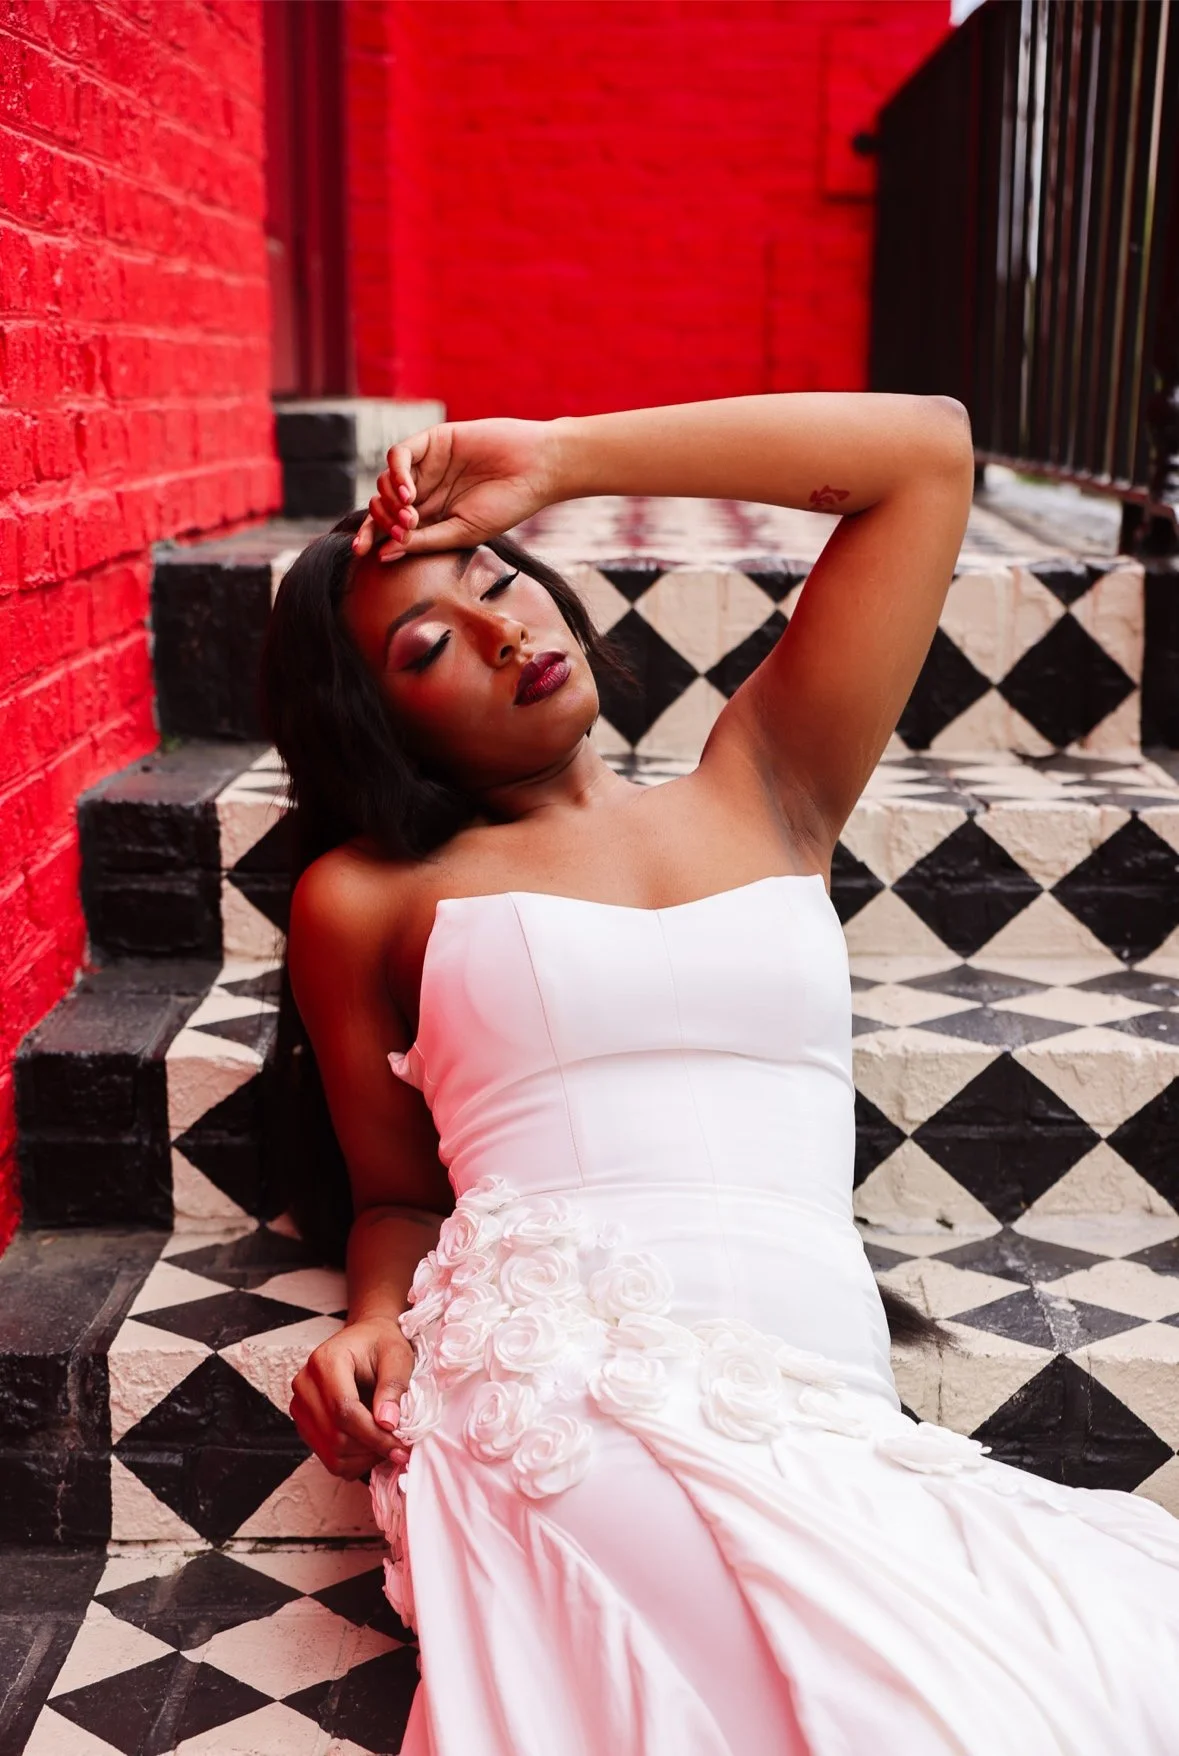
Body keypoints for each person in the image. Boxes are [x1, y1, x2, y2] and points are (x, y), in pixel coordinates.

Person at [263, 395, 1179, 1755]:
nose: (505, 629)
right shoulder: (365, 897)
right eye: (426, 645)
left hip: (818, 1388)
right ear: (373, 727)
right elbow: (396, 1195)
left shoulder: (763, 787)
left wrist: (560, 463)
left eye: (497, 575)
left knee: (1067, 1679)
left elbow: (923, 454)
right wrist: (374, 1318)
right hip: (557, 1386)